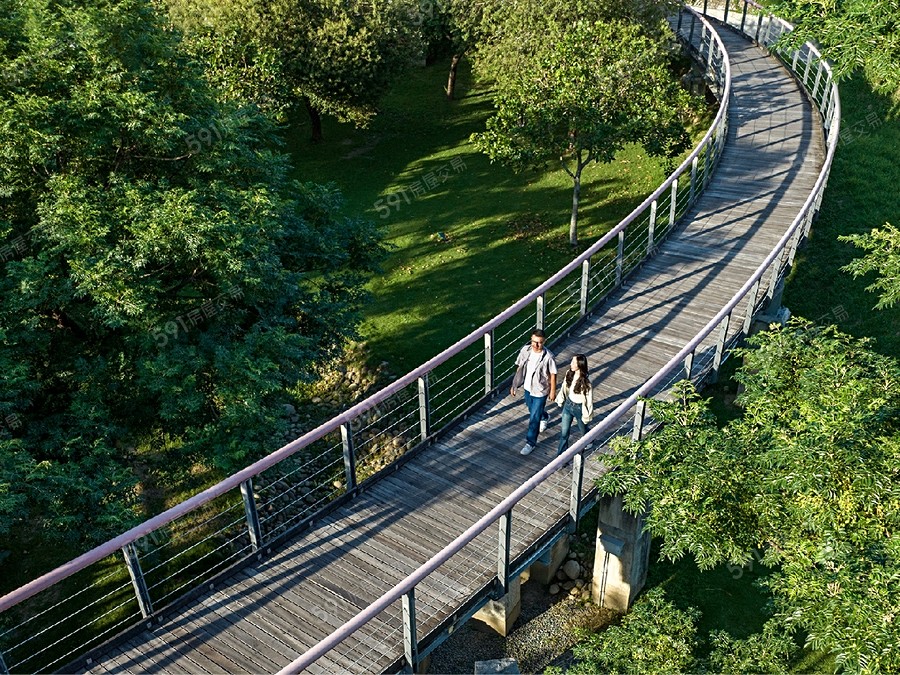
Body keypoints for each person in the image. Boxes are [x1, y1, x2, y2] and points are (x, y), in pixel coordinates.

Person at [510, 329, 557, 456]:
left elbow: (553, 374)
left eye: (539, 343)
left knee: (533, 418)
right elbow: (519, 367)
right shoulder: (525, 350)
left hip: (540, 390)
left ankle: (530, 443)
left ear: (544, 342)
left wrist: (553, 391)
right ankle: (544, 417)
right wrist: (514, 384)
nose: (536, 345)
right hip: (527, 387)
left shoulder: (548, 357)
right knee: (532, 410)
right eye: (534, 342)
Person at [554, 354, 594, 457]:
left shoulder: (586, 382)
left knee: (583, 429)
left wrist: (587, 415)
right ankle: (561, 457)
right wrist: (560, 399)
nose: (571, 364)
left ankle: (589, 439)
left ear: (580, 365)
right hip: (568, 405)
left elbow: (589, 400)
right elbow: (564, 387)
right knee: (564, 433)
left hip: (579, 408)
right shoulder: (569, 373)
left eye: (573, 362)